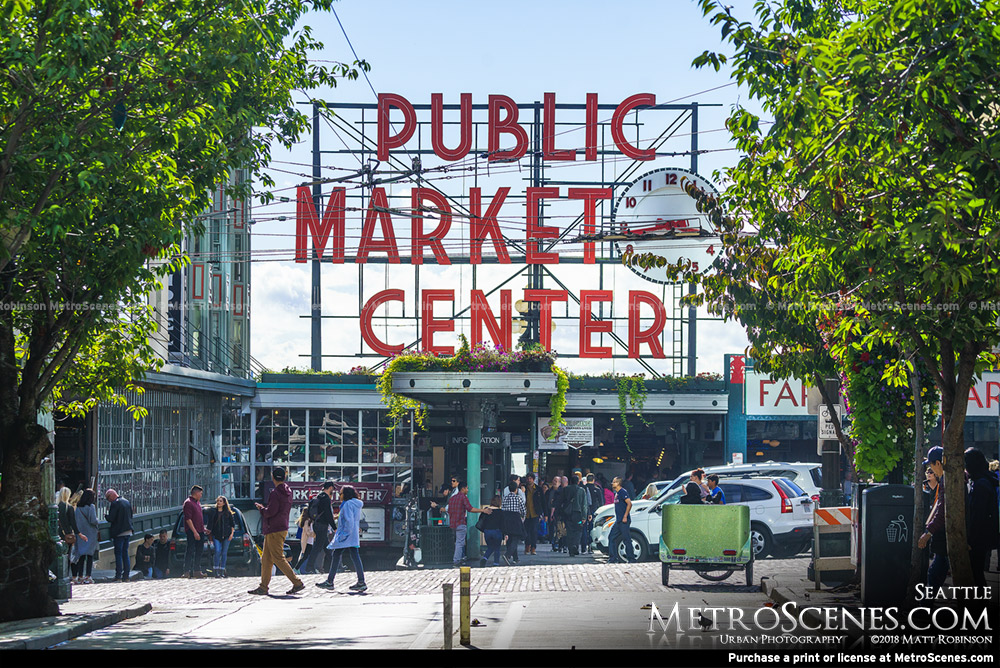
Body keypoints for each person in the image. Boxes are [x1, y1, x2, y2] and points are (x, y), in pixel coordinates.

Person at [248, 468, 305, 596]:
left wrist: (261, 509)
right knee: (266, 559)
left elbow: (270, 512)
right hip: (281, 527)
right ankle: (263, 587)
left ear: (273, 477)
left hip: (274, 528)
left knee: (278, 558)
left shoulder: (275, 493)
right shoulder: (288, 491)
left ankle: (297, 582)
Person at [316, 486, 368, 592]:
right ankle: (361, 581)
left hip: (346, 535)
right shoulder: (356, 504)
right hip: (352, 535)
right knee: (354, 556)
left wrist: (344, 535)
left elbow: (348, 521)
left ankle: (330, 581)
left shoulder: (347, 504)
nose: (339, 495)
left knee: (337, 555)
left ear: (345, 494)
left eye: (340, 493)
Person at [964, 447, 999, 588]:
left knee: (976, 573)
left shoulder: (981, 484)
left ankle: (981, 604)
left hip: (978, 538)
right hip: (983, 536)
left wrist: (970, 540)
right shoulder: (984, 480)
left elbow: (978, 515)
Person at [917, 447, 948, 592]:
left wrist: (928, 532)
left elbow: (941, 511)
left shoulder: (946, 482)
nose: (931, 470)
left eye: (931, 467)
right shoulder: (946, 480)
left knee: (935, 572)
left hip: (945, 535)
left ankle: (925, 606)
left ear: (938, 463)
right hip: (945, 535)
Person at [447, 481, 492, 567]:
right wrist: (483, 510)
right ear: (463, 488)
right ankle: (456, 560)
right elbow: (470, 509)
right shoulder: (463, 497)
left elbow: (449, 510)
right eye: (467, 488)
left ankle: (459, 558)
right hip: (460, 522)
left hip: (453, 523)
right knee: (460, 542)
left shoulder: (452, 498)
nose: (467, 490)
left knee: (457, 542)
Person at [303, 481, 336, 574]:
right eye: (332, 488)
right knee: (317, 547)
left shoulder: (318, 496)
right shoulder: (325, 498)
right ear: (330, 488)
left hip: (317, 524)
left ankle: (335, 565)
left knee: (326, 547)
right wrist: (334, 526)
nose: (333, 491)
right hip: (322, 525)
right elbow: (328, 513)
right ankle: (309, 567)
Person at [105, 488, 133, 582]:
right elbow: (131, 515)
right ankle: (126, 576)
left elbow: (112, 518)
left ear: (112, 495)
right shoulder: (126, 501)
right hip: (128, 530)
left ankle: (118, 576)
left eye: (108, 498)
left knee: (118, 554)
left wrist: (106, 516)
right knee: (125, 553)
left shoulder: (115, 503)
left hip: (119, 532)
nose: (109, 501)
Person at [70, 489, 98, 584]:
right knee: (90, 555)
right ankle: (88, 576)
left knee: (81, 555)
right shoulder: (91, 507)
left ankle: (80, 575)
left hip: (81, 533)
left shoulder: (78, 508)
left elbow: (75, 520)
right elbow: (93, 520)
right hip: (90, 533)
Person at [206, 495, 235, 578]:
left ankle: (222, 570)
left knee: (224, 553)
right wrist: (209, 533)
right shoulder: (213, 512)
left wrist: (231, 534)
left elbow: (232, 524)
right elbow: (210, 523)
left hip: (226, 535)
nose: (218, 502)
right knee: (217, 551)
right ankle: (216, 570)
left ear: (224, 503)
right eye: (218, 501)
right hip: (216, 535)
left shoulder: (228, 513)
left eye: (220, 501)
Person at [608, 476, 636, 563]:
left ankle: (631, 558)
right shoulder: (616, 493)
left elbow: (629, 503)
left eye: (614, 482)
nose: (612, 483)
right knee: (611, 537)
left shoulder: (623, 492)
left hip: (624, 520)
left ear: (618, 483)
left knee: (626, 539)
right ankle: (613, 558)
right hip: (618, 520)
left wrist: (625, 516)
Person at [182, 485, 206, 579]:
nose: (201, 495)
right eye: (200, 493)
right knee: (190, 550)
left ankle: (197, 570)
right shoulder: (188, 503)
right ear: (196, 493)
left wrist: (203, 529)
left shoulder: (198, 503)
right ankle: (187, 571)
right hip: (192, 531)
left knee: (199, 551)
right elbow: (188, 519)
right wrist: (195, 532)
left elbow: (199, 518)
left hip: (200, 530)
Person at [501, 478, 526, 565]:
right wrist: (523, 517)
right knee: (515, 538)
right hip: (515, 518)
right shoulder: (518, 498)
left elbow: (503, 509)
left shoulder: (505, 498)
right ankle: (507, 555)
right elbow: (523, 510)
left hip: (507, 518)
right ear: (516, 489)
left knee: (510, 538)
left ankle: (515, 558)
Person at [564, 475, 589, 557]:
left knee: (569, 531)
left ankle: (571, 549)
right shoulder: (581, 490)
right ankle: (575, 545)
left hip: (568, 513)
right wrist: (584, 516)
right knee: (578, 530)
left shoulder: (566, 489)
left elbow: (561, 502)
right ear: (578, 482)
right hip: (578, 513)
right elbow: (584, 504)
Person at [479, 495, 505, 567]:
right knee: (497, 548)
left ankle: (485, 558)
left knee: (490, 547)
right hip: (497, 531)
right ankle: (496, 563)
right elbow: (502, 524)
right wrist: (505, 534)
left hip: (487, 531)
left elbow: (481, 520)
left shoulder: (486, 510)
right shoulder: (501, 512)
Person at [522, 473, 543, 556]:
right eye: (528, 478)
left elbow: (542, 501)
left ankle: (533, 548)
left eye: (531, 478)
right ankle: (527, 546)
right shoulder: (524, 489)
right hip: (526, 514)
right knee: (526, 531)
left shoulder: (538, 489)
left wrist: (545, 514)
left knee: (534, 531)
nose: (529, 480)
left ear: (533, 479)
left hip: (535, 513)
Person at [583, 474, 603, 554]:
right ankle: (590, 546)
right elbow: (601, 502)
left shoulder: (583, 488)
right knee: (592, 529)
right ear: (594, 480)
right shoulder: (597, 489)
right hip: (594, 511)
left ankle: (583, 547)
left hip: (584, 511)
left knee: (584, 529)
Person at [294, 506, 314, 574]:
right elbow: (307, 532)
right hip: (308, 541)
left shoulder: (307, 520)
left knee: (305, 555)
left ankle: (298, 569)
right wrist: (314, 534)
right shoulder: (307, 521)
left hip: (309, 541)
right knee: (305, 556)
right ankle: (296, 568)